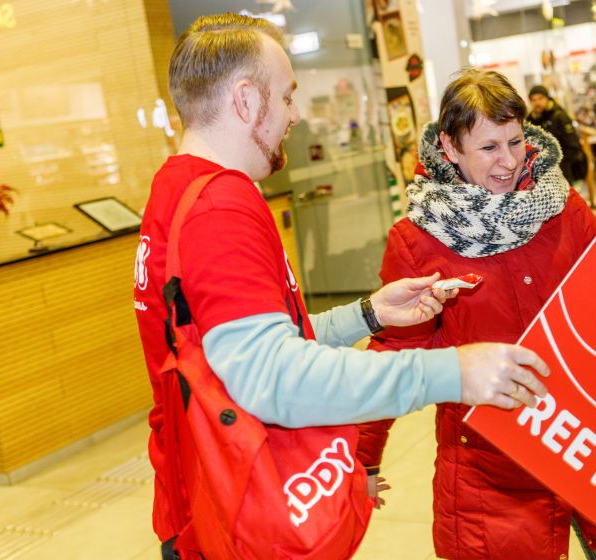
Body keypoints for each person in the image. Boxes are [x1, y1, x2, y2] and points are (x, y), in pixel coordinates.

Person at [133, 14, 553, 559]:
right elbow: (273, 377)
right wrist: (452, 371)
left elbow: (234, 349)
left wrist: (367, 315)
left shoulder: (177, 188)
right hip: (230, 515)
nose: (295, 115)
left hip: (197, 500)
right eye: (285, 97)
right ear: (244, 100)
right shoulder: (221, 207)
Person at [357, 68, 596, 560]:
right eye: (489, 147)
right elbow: (392, 354)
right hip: (493, 477)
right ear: (450, 149)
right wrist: (363, 459)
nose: (510, 161)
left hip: (595, 451)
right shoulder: (418, 241)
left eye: (515, 141)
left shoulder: (559, 203)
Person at [526, 84, 588, 185]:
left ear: (547, 98)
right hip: (541, 174)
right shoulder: (530, 120)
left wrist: (556, 163)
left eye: (540, 98)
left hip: (563, 170)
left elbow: (573, 146)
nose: (537, 103)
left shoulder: (559, 116)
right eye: (533, 100)